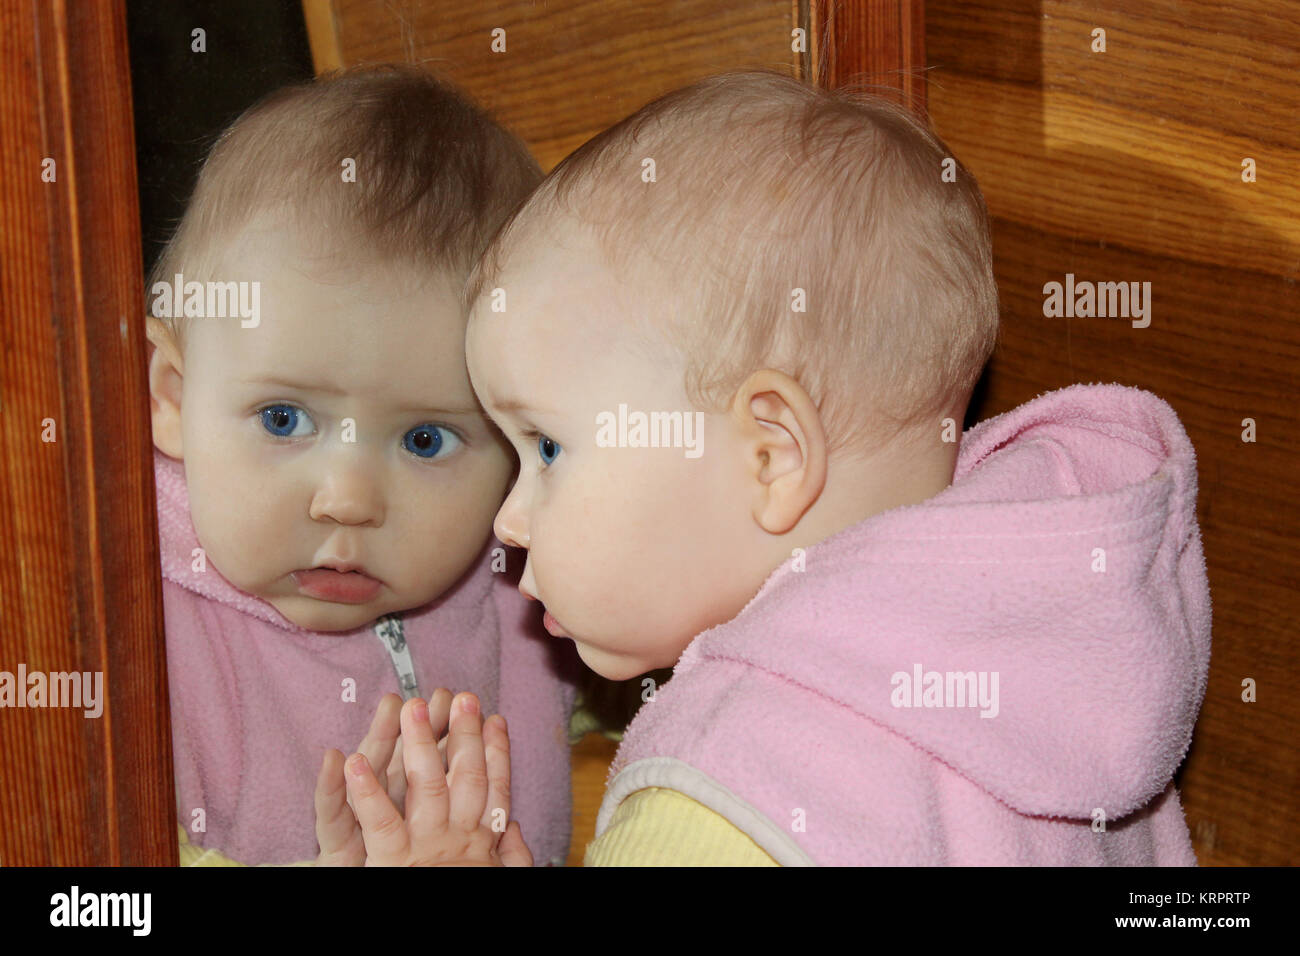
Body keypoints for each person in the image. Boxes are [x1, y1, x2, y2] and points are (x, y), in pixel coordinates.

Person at [145, 65, 578, 866]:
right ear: (172, 396)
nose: (346, 501)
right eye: (284, 419)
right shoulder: (124, 622)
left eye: (425, 440)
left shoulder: (528, 595)